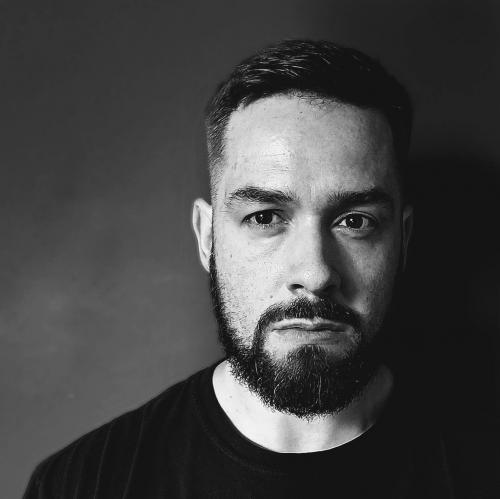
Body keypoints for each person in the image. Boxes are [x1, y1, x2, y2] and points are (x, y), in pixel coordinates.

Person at [23, 39, 487, 499]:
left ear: (403, 239)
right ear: (207, 237)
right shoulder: (80, 486)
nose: (315, 273)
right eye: (265, 217)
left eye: (354, 222)